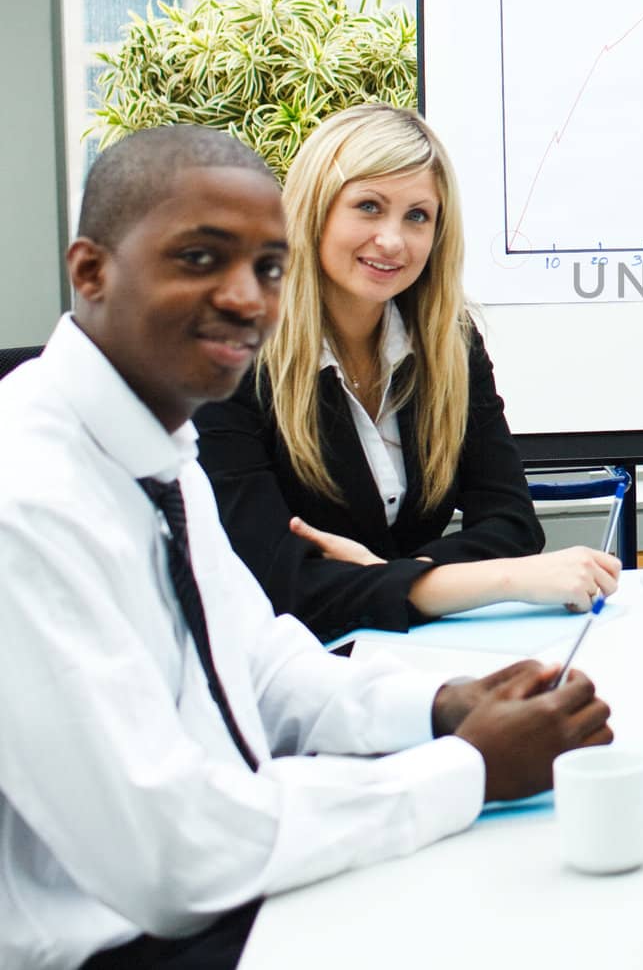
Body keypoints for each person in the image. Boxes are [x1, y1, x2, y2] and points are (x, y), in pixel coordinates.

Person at [0, 125, 612, 970]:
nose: (249, 299)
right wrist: (463, 770)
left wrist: (442, 704)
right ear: (90, 271)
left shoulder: (156, 449)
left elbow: (264, 664)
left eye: (266, 267)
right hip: (129, 941)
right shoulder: (25, 495)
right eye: (200, 258)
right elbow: (176, 855)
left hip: (231, 893)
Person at [195, 105, 619, 642]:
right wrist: (494, 580)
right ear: (313, 212)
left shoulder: (449, 342)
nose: (393, 240)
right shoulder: (232, 357)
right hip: (277, 675)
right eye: (368, 207)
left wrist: (380, 578)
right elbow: (274, 581)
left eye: (417, 216)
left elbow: (512, 523)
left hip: (416, 653)